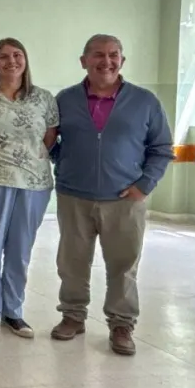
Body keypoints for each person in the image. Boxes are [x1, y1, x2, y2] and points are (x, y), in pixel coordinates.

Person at [50, 34, 174, 355]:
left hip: (125, 199)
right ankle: (73, 316)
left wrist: (144, 184)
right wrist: (63, 163)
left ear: (122, 60)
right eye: (98, 55)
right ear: (84, 61)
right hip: (73, 196)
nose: (106, 61)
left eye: (114, 55)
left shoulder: (145, 101)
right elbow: (52, 142)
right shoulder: (65, 99)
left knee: (123, 264)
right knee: (72, 262)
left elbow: (161, 149)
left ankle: (121, 324)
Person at [0, 39, 58, 339]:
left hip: (34, 184)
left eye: (17, 55)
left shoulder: (43, 98)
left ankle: (13, 312)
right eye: (3, 57)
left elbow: (48, 139)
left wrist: (25, 162)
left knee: (20, 249)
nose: (11, 61)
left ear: (26, 60)